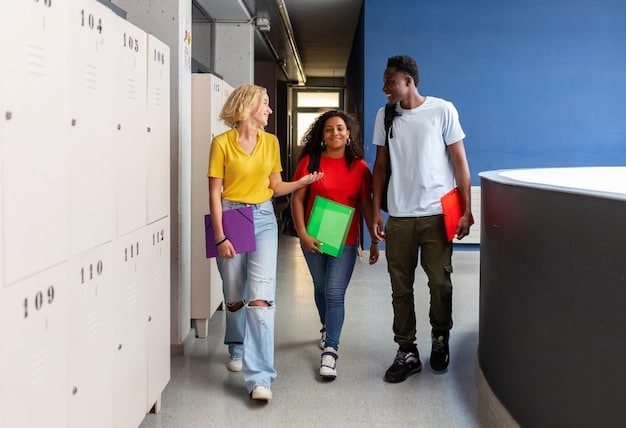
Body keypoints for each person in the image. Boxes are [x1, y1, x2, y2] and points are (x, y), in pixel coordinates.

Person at [207, 84, 323, 401]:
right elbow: (214, 194)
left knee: (260, 298)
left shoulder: (270, 143)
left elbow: (274, 186)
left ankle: (260, 378)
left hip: (263, 219)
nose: (269, 110)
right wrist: (220, 236)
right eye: (265, 104)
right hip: (231, 216)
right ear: (247, 106)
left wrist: (302, 182)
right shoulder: (221, 144)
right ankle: (236, 345)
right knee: (234, 294)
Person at [370, 55, 473, 383]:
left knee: (440, 283)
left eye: (390, 81)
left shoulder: (443, 110)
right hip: (399, 217)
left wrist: (467, 210)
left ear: (408, 82)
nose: (384, 87)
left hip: (438, 214)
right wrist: (375, 210)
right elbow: (381, 167)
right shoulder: (384, 115)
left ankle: (440, 339)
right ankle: (407, 350)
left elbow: (459, 161)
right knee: (400, 287)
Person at [291, 110, 379, 380]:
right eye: (329, 129)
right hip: (313, 238)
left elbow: (365, 204)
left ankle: (331, 350)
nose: (335, 133)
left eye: (340, 128)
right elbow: (296, 199)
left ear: (348, 133)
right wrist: (303, 235)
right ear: (322, 134)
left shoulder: (360, 167)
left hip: (346, 241)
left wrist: (374, 240)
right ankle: (326, 326)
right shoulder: (310, 162)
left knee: (333, 292)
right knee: (320, 288)